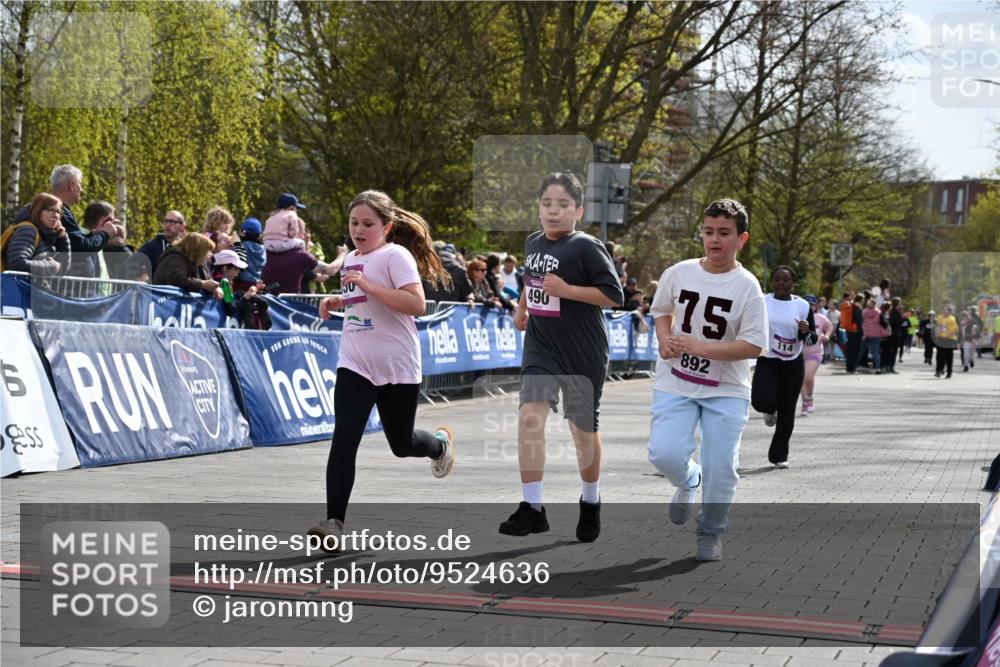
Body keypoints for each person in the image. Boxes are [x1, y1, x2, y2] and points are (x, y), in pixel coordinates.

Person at [307, 190, 456, 549]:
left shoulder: (395, 255)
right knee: (344, 438)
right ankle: (333, 524)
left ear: (386, 227)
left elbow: (416, 304)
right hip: (355, 361)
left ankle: (439, 446)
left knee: (402, 444)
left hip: (396, 364)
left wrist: (368, 286)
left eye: (367, 224)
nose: (358, 230)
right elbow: (361, 302)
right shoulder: (350, 259)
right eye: (354, 223)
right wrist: (338, 300)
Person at [498, 172, 624, 544]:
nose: (553, 211)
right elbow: (532, 278)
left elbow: (613, 295)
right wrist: (522, 307)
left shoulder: (585, 246)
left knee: (582, 431)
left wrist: (567, 290)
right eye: (547, 204)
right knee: (529, 417)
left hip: (583, 349)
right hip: (542, 345)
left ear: (578, 211)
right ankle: (532, 507)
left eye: (563, 205)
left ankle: (590, 500)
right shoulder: (533, 241)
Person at [646, 198, 767, 562]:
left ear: (741, 239)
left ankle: (711, 530)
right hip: (676, 380)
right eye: (709, 231)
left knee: (722, 467)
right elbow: (661, 311)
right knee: (664, 453)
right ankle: (688, 480)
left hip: (726, 389)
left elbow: (754, 346)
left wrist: (701, 347)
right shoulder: (679, 272)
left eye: (724, 233)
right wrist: (664, 339)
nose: (715, 239)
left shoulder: (747, 286)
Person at [751, 266, 816, 467]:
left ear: (793, 283)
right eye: (777, 279)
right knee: (760, 401)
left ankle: (779, 456)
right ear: (772, 282)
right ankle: (770, 409)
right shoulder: (763, 301)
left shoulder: (802, 306)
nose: (781, 283)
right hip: (768, 358)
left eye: (785, 280)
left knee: (787, 411)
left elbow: (812, 339)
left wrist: (805, 331)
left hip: (793, 362)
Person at [13, 165, 119, 263]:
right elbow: (80, 249)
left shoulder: (49, 211)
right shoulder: (58, 214)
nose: (82, 189)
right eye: (80, 184)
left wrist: (95, 234)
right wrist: (105, 234)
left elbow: (75, 242)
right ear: (71, 185)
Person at [2, 193, 71, 276]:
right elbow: (18, 264)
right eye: (51, 210)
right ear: (38, 211)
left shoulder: (47, 235)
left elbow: (62, 270)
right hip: (21, 284)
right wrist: (50, 266)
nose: (56, 216)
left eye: (58, 212)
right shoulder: (27, 230)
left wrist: (62, 238)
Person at [212, 248, 271, 330]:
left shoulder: (215, 279)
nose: (237, 273)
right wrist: (246, 297)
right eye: (235, 269)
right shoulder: (224, 283)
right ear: (225, 268)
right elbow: (231, 309)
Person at [152, 232, 222, 300]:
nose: (209, 254)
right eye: (207, 251)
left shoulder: (197, 261)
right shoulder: (174, 258)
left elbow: (207, 279)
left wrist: (215, 288)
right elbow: (177, 280)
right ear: (198, 250)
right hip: (164, 302)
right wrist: (203, 284)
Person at [79, 200, 135, 281]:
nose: (114, 226)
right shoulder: (89, 240)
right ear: (103, 220)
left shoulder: (95, 238)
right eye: (112, 221)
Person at [799, 295, 832, 415]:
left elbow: (829, 326)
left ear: (815, 306)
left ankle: (810, 397)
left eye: (811, 305)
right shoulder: (797, 318)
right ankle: (805, 402)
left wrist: (827, 335)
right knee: (800, 378)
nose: (809, 307)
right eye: (806, 304)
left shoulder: (820, 318)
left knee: (808, 376)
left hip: (815, 352)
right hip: (798, 354)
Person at [234, 217, 266, 292]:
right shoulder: (263, 248)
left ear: (243, 232)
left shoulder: (241, 245)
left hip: (240, 284)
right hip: (255, 284)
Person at [861, 298, 884, 374]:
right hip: (875, 334)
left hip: (866, 334)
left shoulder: (864, 312)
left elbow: (861, 322)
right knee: (876, 352)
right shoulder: (878, 312)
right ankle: (878, 368)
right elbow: (881, 322)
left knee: (861, 350)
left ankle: (853, 366)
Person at [934, 306, 958, 378]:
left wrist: (948, 336)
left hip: (949, 339)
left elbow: (955, 329)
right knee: (939, 356)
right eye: (943, 310)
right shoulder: (940, 317)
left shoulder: (952, 319)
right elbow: (938, 326)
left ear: (949, 312)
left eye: (946, 310)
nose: (944, 311)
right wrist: (937, 334)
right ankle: (938, 371)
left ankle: (949, 372)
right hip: (941, 339)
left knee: (948, 357)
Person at [841, 292, 862, 373]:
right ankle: (852, 368)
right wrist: (862, 332)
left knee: (850, 350)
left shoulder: (848, 306)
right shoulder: (857, 307)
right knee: (855, 350)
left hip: (848, 330)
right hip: (856, 331)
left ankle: (848, 367)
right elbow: (859, 321)